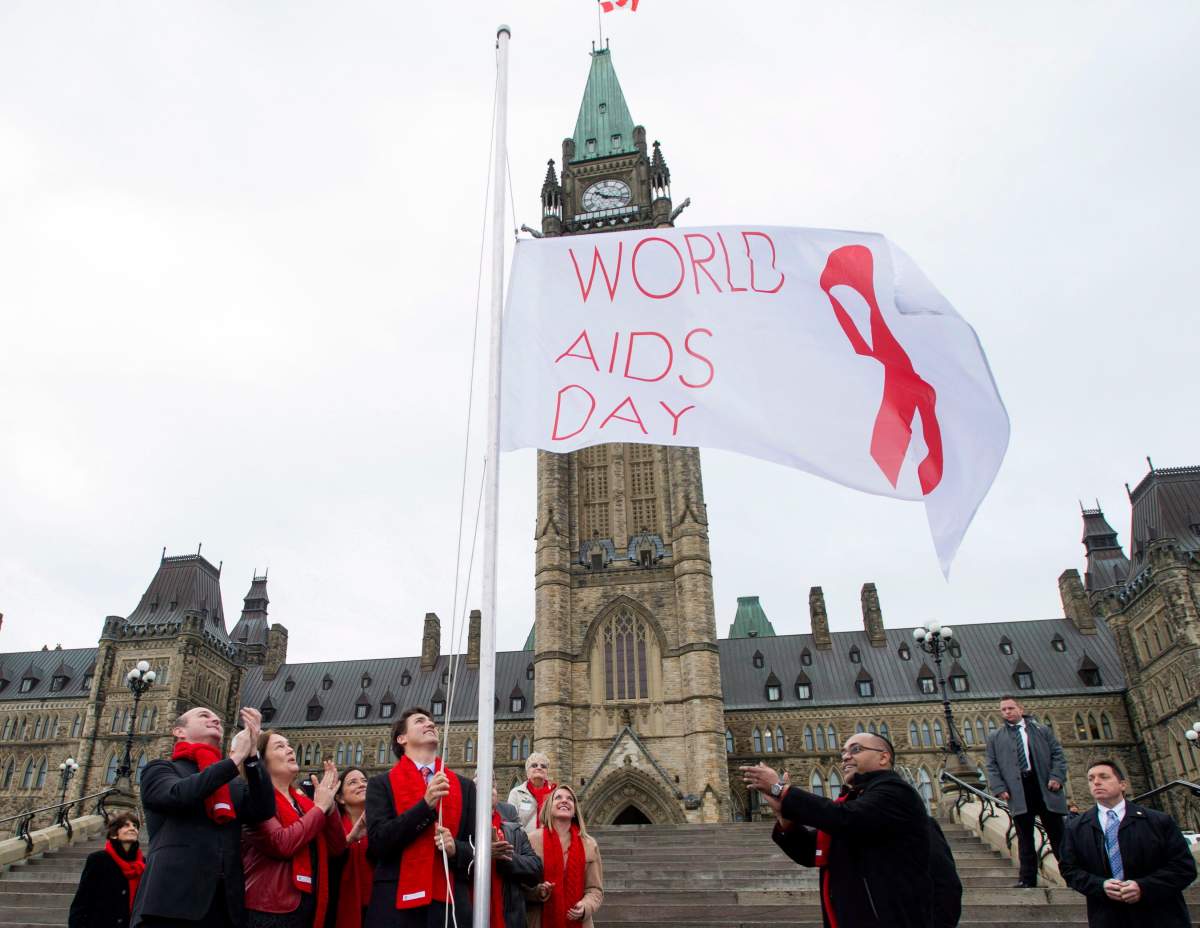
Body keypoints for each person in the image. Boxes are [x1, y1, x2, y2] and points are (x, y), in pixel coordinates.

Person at [742, 732, 944, 928]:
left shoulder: (896, 792)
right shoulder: (855, 799)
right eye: (843, 752)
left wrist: (780, 789)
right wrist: (785, 818)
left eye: (856, 749)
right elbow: (811, 852)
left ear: (884, 757)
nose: (846, 756)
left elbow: (844, 818)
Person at [133, 706, 274, 928]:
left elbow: (264, 809)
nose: (215, 720)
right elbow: (178, 795)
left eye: (218, 718)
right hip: (171, 902)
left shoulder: (232, 784)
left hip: (223, 904)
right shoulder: (160, 769)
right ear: (179, 731)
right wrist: (234, 758)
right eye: (204, 716)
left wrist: (252, 754)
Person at [364, 707, 476, 928]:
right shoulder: (380, 784)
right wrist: (424, 807)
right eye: (420, 721)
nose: (430, 724)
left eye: (432, 722)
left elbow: (476, 849)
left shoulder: (465, 787)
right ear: (402, 738)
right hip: (396, 907)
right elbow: (378, 844)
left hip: (449, 905)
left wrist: (456, 849)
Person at [1058, 759, 1196, 928]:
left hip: (1160, 916)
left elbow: (1184, 868)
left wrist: (1143, 887)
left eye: (1104, 777)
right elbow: (1069, 870)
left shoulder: (1158, 821)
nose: (1096, 782)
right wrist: (1100, 886)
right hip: (1108, 917)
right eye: (1091, 778)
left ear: (1123, 785)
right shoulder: (1076, 828)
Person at [241, 731, 347, 928]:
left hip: (307, 907)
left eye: (289, 745)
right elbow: (282, 844)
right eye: (280, 746)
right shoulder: (253, 798)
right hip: (271, 909)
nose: (290, 749)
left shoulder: (303, 803)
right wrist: (320, 808)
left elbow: (337, 847)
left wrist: (330, 808)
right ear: (262, 761)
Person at [984, 695, 1068, 887]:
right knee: (1024, 837)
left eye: (1011, 708)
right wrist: (999, 788)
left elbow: (1058, 755)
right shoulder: (995, 737)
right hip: (1018, 790)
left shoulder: (1041, 730)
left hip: (1044, 786)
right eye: (1004, 709)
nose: (1007, 712)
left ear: (1020, 709)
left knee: (1058, 836)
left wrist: (1057, 777)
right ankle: (1027, 879)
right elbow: (992, 765)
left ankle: (1071, 876)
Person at [526, 785, 603, 928]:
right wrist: (538, 891)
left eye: (570, 799)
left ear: (575, 811)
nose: (564, 801)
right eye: (558, 797)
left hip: (579, 923)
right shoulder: (531, 840)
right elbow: (520, 886)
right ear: (549, 807)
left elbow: (595, 890)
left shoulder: (589, 844)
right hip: (539, 920)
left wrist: (586, 906)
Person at [479, 779, 542, 928]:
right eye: (479, 785)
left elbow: (535, 870)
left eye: (492, 786)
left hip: (510, 919)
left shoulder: (514, 831)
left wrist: (505, 858)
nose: (488, 789)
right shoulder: (463, 830)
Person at [69, 811, 146, 928]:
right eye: (126, 825)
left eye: (135, 826)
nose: (132, 828)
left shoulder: (143, 863)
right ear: (114, 834)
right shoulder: (98, 859)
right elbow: (82, 900)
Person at [327, 767, 370, 928]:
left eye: (364, 781)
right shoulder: (332, 829)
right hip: (342, 907)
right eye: (353, 782)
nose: (361, 784)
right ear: (340, 798)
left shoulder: (382, 824)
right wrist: (349, 840)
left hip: (377, 907)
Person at [507, 752, 555, 833]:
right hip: (523, 842)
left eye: (543, 766)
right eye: (534, 765)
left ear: (547, 772)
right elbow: (511, 822)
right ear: (527, 772)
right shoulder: (516, 793)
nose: (539, 768)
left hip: (550, 842)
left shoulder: (555, 794)